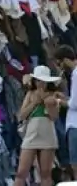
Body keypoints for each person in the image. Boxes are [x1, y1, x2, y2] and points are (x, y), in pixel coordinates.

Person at [15, 65, 65, 186]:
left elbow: (54, 117)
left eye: (43, 81)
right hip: (31, 134)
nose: (40, 83)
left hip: (47, 134)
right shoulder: (30, 94)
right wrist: (35, 103)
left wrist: (48, 103)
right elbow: (21, 115)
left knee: (45, 173)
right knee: (21, 172)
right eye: (38, 80)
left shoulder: (53, 96)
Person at [57, 46, 77, 181]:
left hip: (74, 124)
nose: (60, 67)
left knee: (75, 164)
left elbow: (74, 104)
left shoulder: (75, 74)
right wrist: (65, 97)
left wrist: (59, 101)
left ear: (65, 60)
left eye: (59, 63)